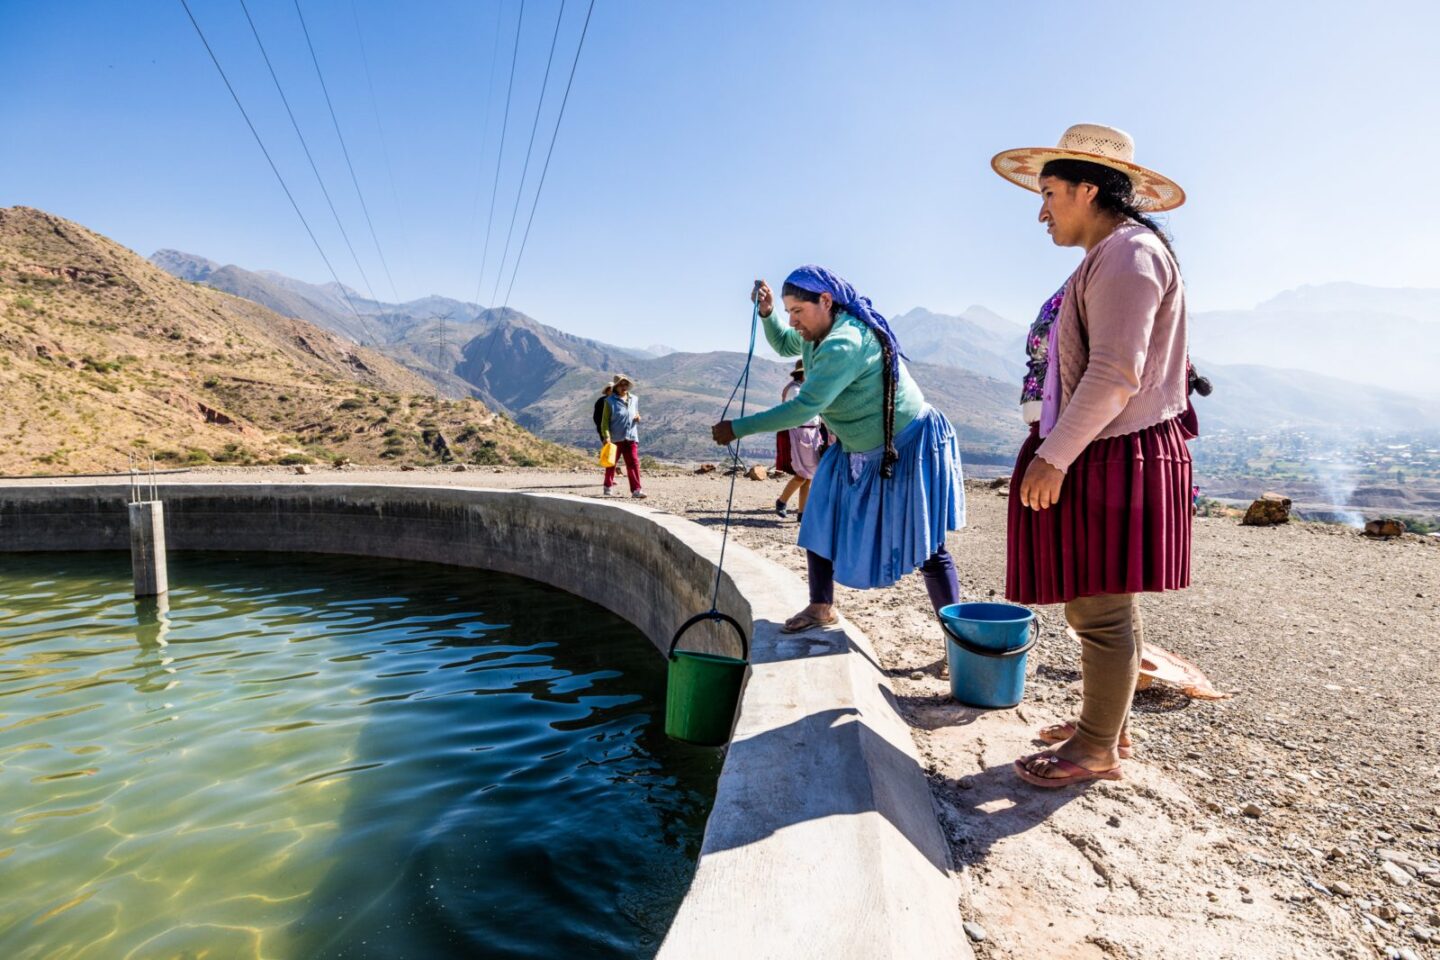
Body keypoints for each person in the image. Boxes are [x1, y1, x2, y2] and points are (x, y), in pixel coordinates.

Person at [991, 123, 1194, 788]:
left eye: (1049, 193)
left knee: (1100, 608)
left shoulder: (1128, 256)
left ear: (1086, 189)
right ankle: (1105, 728)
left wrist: (1054, 455)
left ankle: (1098, 749)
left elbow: (1112, 374)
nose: (1041, 209)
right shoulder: (1116, 253)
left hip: (1112, 450)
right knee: (1102, 605)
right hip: (1106, 447)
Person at [711, 266, 964, 633]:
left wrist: (737, 428)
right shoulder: (817, 333)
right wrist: (767, 315)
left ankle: (957, 637)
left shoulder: (844, 342)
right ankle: (821, 607)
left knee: (928, 547)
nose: (793, 321)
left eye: (798, 311)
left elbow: (803, 407)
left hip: (906, 444)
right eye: (788, 311)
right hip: (853, 448)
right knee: (820, 515)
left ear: (826, 301)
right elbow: (785, 343)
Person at [774, 361, 822, 521]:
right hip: (801, 433)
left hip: (811, 432)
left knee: (809, 476)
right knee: (803, 473)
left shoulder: (803, 389)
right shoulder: (795, 390)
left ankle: (802, 512)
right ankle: (782, 501)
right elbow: (799, 410)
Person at [599, 374, 647, 499]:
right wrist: (607, 436)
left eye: (626, 384)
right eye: (621, 384)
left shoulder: (634, 399)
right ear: (616, 387)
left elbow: (635, 412)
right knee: (612, 463)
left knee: (633, 463)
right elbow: (604, 421)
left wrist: (638, 417)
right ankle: (608, 485)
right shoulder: (609, 402)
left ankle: (636, 490)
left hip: (631, 436)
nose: (624, 387)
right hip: (615, 438)